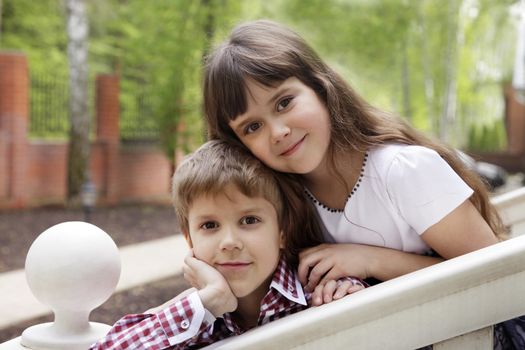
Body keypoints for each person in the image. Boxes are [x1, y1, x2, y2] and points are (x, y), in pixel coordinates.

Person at [202, 20, 523, 349]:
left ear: (320, 87)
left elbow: (499, 276)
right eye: (252, 126)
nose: (277, 131)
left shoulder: (401, 171)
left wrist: (372, 262)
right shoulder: (285, 203)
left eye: (284, 103)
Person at [89, 140, 365, 350]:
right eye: (209, 225)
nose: (230, 242)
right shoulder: (195, 317)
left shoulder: (325, 293)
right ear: (189, 240)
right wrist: (210, 301)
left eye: (249, 220)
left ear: (282, 231)